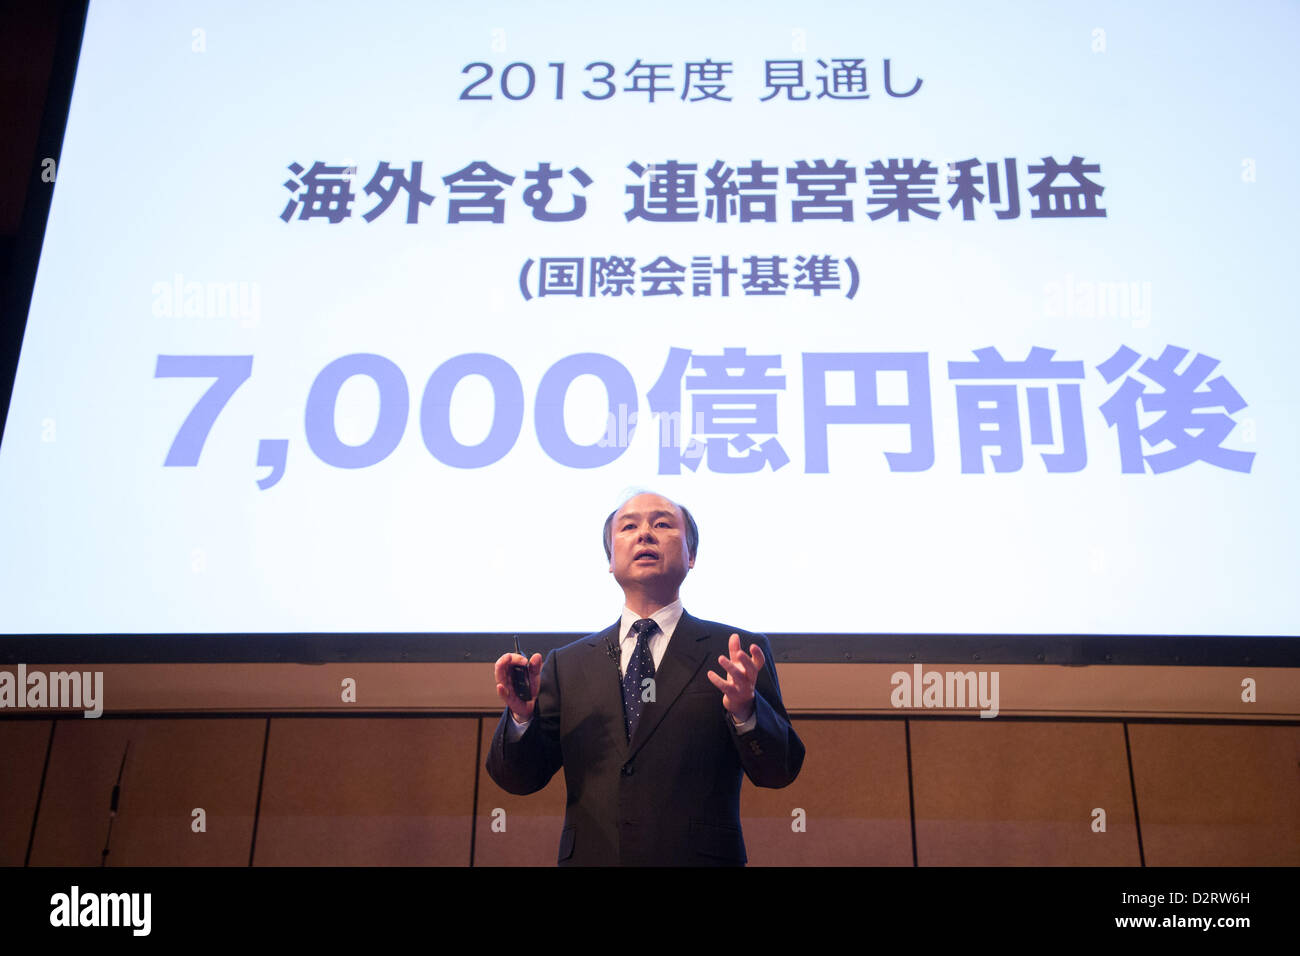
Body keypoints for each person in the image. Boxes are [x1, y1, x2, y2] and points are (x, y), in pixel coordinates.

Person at [486, 490, 805, 866]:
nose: (645, 534)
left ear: (691, 555)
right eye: (629, 526)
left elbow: (779, 770)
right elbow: (519, 780)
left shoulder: (736, 653)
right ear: (610, 560)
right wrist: (522, 718)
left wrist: (746, 712)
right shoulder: (566, 665)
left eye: (663, 524)